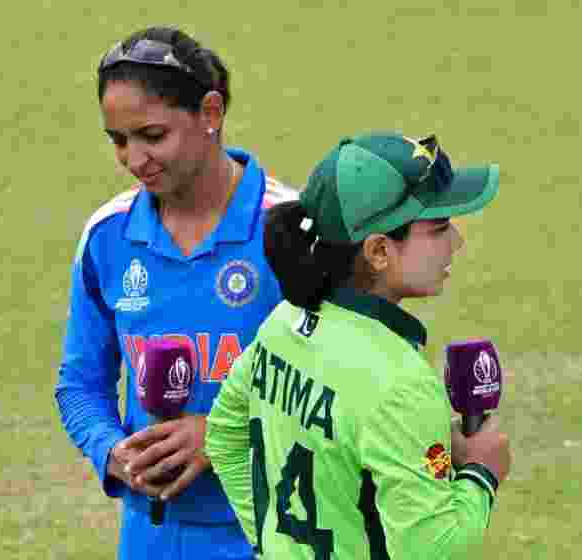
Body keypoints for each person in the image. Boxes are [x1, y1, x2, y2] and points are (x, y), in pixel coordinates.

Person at [205, 132, 512, 559]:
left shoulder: (281, 323)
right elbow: (431, 548)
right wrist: (482, 472)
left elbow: (223, 434)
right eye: (439, 228)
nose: (455, 242)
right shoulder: (400, 384)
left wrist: (271, 544)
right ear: (379, 251)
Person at [54, 26, 297, 560]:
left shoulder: (291, 230)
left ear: (210, 113)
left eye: (152, 135)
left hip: (278, 535)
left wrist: (220, 433)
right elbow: (79, 385)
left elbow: (344, 389)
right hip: (151, 538)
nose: (134, 159)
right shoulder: (109, 236)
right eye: (119, 141)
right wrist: (110, 450)